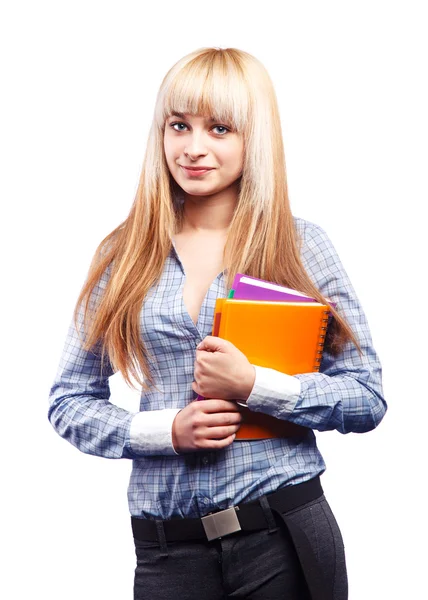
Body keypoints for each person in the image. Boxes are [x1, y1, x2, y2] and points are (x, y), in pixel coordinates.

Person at [48, 47, 387, 600]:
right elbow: (68, 401)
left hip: (284, 537)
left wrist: (255, 385)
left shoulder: (301, 248)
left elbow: (366, 397)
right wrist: (167, 432)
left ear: (254, 138)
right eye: (179, 125)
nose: (194, 147)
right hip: (167, 552)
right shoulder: (123, 255)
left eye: (220, 128)